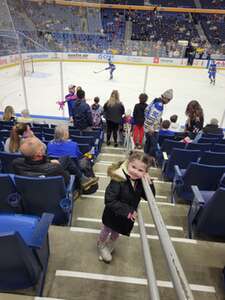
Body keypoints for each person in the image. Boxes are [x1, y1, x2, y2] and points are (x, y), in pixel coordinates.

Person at [97, 151, 155, 263]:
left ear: (145, 172)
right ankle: (101, 245)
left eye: (140, 170)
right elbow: (110, 200)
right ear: (128, 163)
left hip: (124, 218)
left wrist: (149, 183)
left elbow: (149, 197)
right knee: (106, 230)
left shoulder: (139, 181)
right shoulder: (118, 178)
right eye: (133, 167)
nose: (135, 172)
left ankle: (110, 245)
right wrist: (128, 211)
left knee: (116, 232)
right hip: (112, 215)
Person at [12, 137, 99, 190]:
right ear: (39, 154)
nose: (43, 147)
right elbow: (67, 179)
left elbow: (35, 164)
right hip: (52, 185)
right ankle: (83, 181)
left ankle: (84, 179)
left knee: (66, 158)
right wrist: (55, 165)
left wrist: (49, 161)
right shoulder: (54, 168)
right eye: (41, 147)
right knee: (68, 164)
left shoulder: (16, 163)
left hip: (35, 183)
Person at [144, 89, 173, 157]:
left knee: (148, 143)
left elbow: (146, 110)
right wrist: (150, 127)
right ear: (165, 97)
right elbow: (152, 116)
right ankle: (148, 160)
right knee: (153, 145)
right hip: (152, 129)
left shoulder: (155, 101)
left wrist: (146, 124)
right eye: (168, 100)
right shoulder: (159, 105)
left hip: (148, 126)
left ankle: (145, 158)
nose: (168, 102)